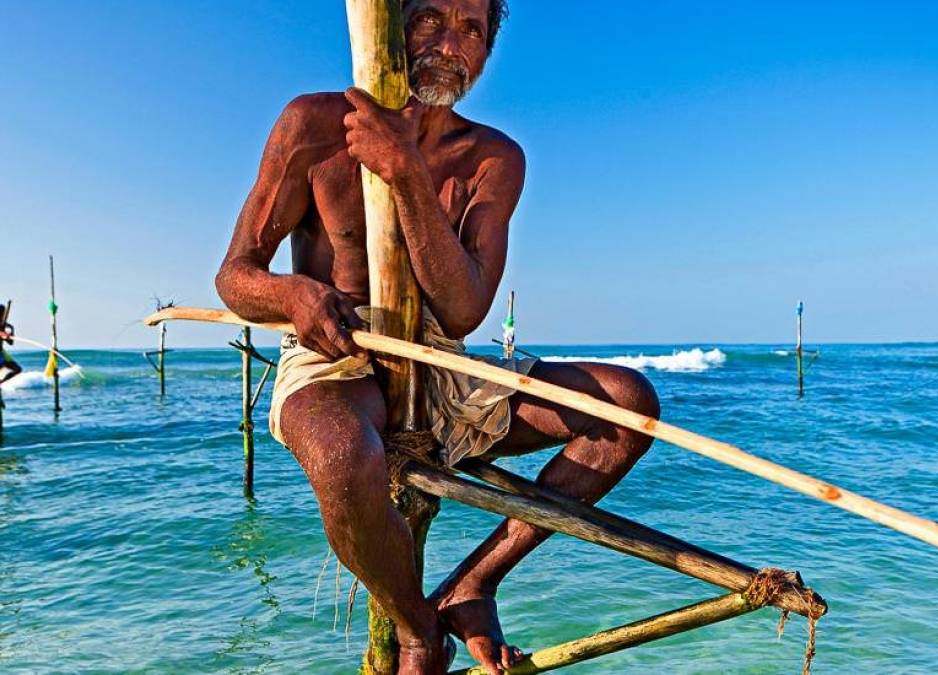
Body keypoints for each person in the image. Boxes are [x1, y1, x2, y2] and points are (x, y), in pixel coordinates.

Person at [214, 1, 659, 673]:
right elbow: (234, 275)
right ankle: (418, 625)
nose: (451, 44)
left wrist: (407, 172)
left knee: (626, 405)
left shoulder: (494, 158)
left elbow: (461, 311)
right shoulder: (312, 123)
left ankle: (472, 583)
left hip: (441, 367)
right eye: (429, 19)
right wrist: (293, 294)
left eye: (472, 30)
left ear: (486, 53)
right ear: (391, 26)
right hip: (336, 357)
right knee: (341, 455)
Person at [0, 311, 22, 387]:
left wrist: (11, 330)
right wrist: (4, 334)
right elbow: (3, 335)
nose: (2, 316)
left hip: (1, 352)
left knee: (18, 369)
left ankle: (1, 382)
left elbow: (10, 342)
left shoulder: (4, 326)